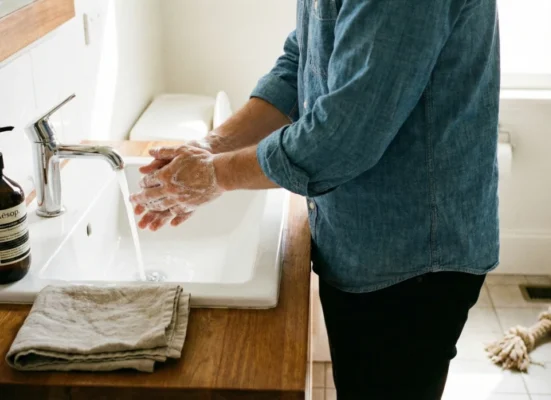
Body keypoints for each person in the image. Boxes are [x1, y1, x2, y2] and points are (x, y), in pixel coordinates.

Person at [130, 0, 500, 398]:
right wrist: (210, 148)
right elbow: (301, 61)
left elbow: (343, 137)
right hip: (365, 240)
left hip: (412, 259)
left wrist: (215, 174)